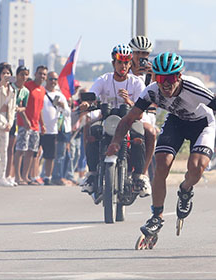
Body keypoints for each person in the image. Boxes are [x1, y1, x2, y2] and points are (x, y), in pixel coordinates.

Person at [106, 52, 216, 244]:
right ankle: (157, 216)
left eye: (171, 78)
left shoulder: (194, 87)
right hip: (176, 122)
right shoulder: (151, 91)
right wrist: (115, 142)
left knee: (196, 168)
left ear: (179, 77)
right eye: (161, 78)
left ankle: (186, 189)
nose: (166, 84)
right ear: (156, 77)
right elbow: (129, 119)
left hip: (202, 124)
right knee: (161, 163)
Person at [79, 44, 152, 199]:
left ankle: (140, 176)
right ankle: (91, 174)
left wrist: (129, 101)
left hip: (131, 119)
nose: (123, 66)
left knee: (142, 135)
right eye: (120, 62)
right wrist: (87, 104)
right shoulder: (103, 80)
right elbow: (92, 95)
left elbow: (142, 106)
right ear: (114, 63)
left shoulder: (136, 82)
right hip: (107, 119)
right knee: (89, 129)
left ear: (130, 63)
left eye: (126, 62)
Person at [128, 35, 158, 179]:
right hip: (124, 109)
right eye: (137, 53)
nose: (141, 57)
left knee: (151, 133)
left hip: (144, 111)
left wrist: (153, 76)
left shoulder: (151, 72)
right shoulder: (123, 68)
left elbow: (159, 93)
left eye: (145, 53)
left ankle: (143, 172)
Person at [12, 65, 47, 185]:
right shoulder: (27, 86)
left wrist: (42, 124)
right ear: (35, 74)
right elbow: (20, 104)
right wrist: (25, 119)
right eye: (40, 73)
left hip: (35, 126)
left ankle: (25, 176)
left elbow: (40, 109)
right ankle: (17, 176)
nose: (42, 76)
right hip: (24, 124)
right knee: (21, 150)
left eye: (44, 74)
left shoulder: (42, 90)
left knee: (31, 152)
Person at [40, 71, 71, 185]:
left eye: (55, 80)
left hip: (53, 130)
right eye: (51, 79)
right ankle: (33, 176)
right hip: (40, 128)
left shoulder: (60, 95)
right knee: (36, 154)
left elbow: (68, 113)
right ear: (46, 80)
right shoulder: (41, 92)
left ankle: (48, 177)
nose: (53, 82)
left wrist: (63, 106)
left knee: (51, 156)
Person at [0, 62, 17, 187]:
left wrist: (10, 123)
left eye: (8, 73)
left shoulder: (12, 90)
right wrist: (1, 84)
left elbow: (12, 109)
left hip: (5, 121)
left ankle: (2, 176)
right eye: (3, 73)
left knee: (4, 150)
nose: (6, 75)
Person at [6, 66, 30, 184]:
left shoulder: (26, 91)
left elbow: (24, 106)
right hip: (4, 118)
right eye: (21, 74)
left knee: (11, 148)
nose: (23, 77)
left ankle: (9, 175)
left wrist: (19, 109)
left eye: (26, 75)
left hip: (14, 120)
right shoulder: (10, 87)